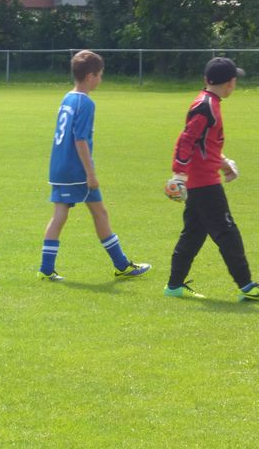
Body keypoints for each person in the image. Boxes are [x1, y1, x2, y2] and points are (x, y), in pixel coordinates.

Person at [38, 50, 150, 281]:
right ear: (90, 76)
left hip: (58, 167)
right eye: (100, 75)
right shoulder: (86, 102)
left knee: (61, 214)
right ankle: (121, 265)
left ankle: (46, 269)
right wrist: (91, 174)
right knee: (100, 213)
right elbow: (80, 139)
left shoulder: (67, 97)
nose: (101, 79)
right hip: (76, 170)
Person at [163, 57, 259, 301]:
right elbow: (186, 140)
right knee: (227, 231)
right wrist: (178, 174)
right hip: (204, 183)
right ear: (231, 83)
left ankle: (174, 286)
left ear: (206, 79)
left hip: (201, 180)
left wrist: (224, 162)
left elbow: (204, 143)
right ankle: (247, 286)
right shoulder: (205, 106)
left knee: (194, 233)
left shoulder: (209, 103)